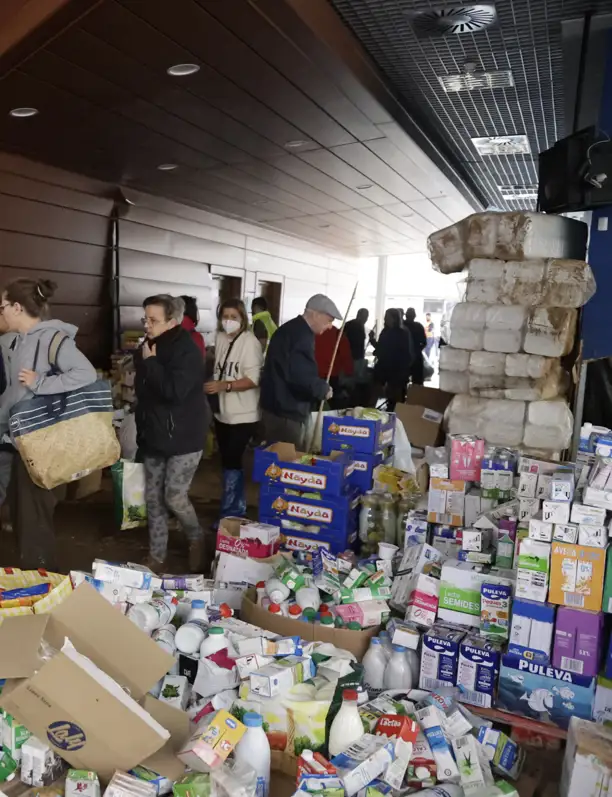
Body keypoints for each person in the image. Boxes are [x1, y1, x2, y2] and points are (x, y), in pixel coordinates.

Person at [0, 279, 96, 570]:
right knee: (23, 518)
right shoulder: (23, 340)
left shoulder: (51, 338)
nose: (0, 312)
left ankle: (42, 586)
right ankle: (34, 582)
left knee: (34, 522)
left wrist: (41, 382)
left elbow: (86, 373)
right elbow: (15, 396)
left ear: (17, 307)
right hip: (21, 442)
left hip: (43, 444)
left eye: (3, 306)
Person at [135, 294, 207, 572]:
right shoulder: (149, 345)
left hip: (184, 437)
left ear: (173, 322)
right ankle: (157, 555)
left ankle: (197, 538)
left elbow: (174, 392)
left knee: (174, 496)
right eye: (145, 319)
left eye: (153, 320)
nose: (147, 325)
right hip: (154, 435)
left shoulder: (187, 351)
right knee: (153, 497)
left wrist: (151, 365)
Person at [205, 298, 263, 519]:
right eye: (225, 316)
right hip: (223, 412)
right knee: (227, 461)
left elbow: (253, 379)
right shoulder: (220, 338)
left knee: (232, 460)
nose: (229, 321)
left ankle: (232, 512)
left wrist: (225, 385)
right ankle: (232, 507)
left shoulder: (250, 342)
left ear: (243, 319)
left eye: (234, 317)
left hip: (244, 414)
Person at [260, 294, 339, 447]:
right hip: (286, 413)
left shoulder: (290, 329)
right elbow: (300, 376)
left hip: (276, 408)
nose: (330, 326)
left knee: (275, 460)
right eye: (329, 320)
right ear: (316, 314)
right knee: (287, 463)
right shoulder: (301, 336)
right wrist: (323, 389)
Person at [372, 308, 414, 411]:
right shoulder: (386, 331)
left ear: (394, 319)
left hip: (397, 369)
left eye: (388, 317)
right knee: (376, 390)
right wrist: (373, 341)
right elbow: (380, 348)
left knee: (395, 397)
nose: (385, 319)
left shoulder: (402, 333)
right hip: (384, 367)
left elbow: (406, 353)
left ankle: (395, 414)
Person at [314, 324, 353, 409]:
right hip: (331, 374)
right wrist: (348, 372)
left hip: (312, 374)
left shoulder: (311, 331)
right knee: (334, 406)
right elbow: (345, 355)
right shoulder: (337, 333)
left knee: (313, 405)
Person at [404, 307, 427, 385]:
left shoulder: (402, 326)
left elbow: (424, 342)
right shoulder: (418, 326)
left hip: (404, 356)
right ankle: (415, 396)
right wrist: (416, 351)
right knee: (417, 382)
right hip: (415, 355)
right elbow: (424, 342)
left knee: (401, 381)